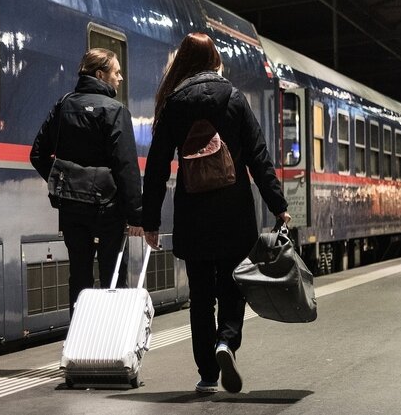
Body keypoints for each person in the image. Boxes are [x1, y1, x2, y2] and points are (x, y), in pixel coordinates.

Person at [142, 33, 291, 394]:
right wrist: (278, 205)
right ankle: (227, 341)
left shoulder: (174, 103)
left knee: (201, 295)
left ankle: (208, 372)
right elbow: (258, 156)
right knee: (231, 286)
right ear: (214, 60)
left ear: (184, 62)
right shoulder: (234, 98)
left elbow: (157, 167)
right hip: (233, 210)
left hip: (193, 212)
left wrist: (149, 221)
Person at [30, 48, 143, 317]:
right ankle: (111, 345)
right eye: (116, 72)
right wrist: (137, 215)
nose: (121, 78)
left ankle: (80, 343)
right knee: (112, 278)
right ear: (100, 74)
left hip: (72, 208)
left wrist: (63, 182)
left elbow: (37, 154)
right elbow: (126, 166)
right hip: (108, 208)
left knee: (79, 277)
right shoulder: (116, 111)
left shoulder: (63, 105)